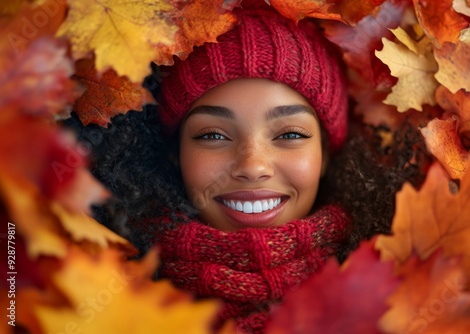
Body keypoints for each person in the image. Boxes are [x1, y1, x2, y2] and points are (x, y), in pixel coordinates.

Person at [64, 1, 429, 333]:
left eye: (289, 134)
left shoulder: (409, 292)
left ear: (327, 154)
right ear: (176, 152)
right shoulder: (88, 294)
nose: (252, 166)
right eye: (212, 136)